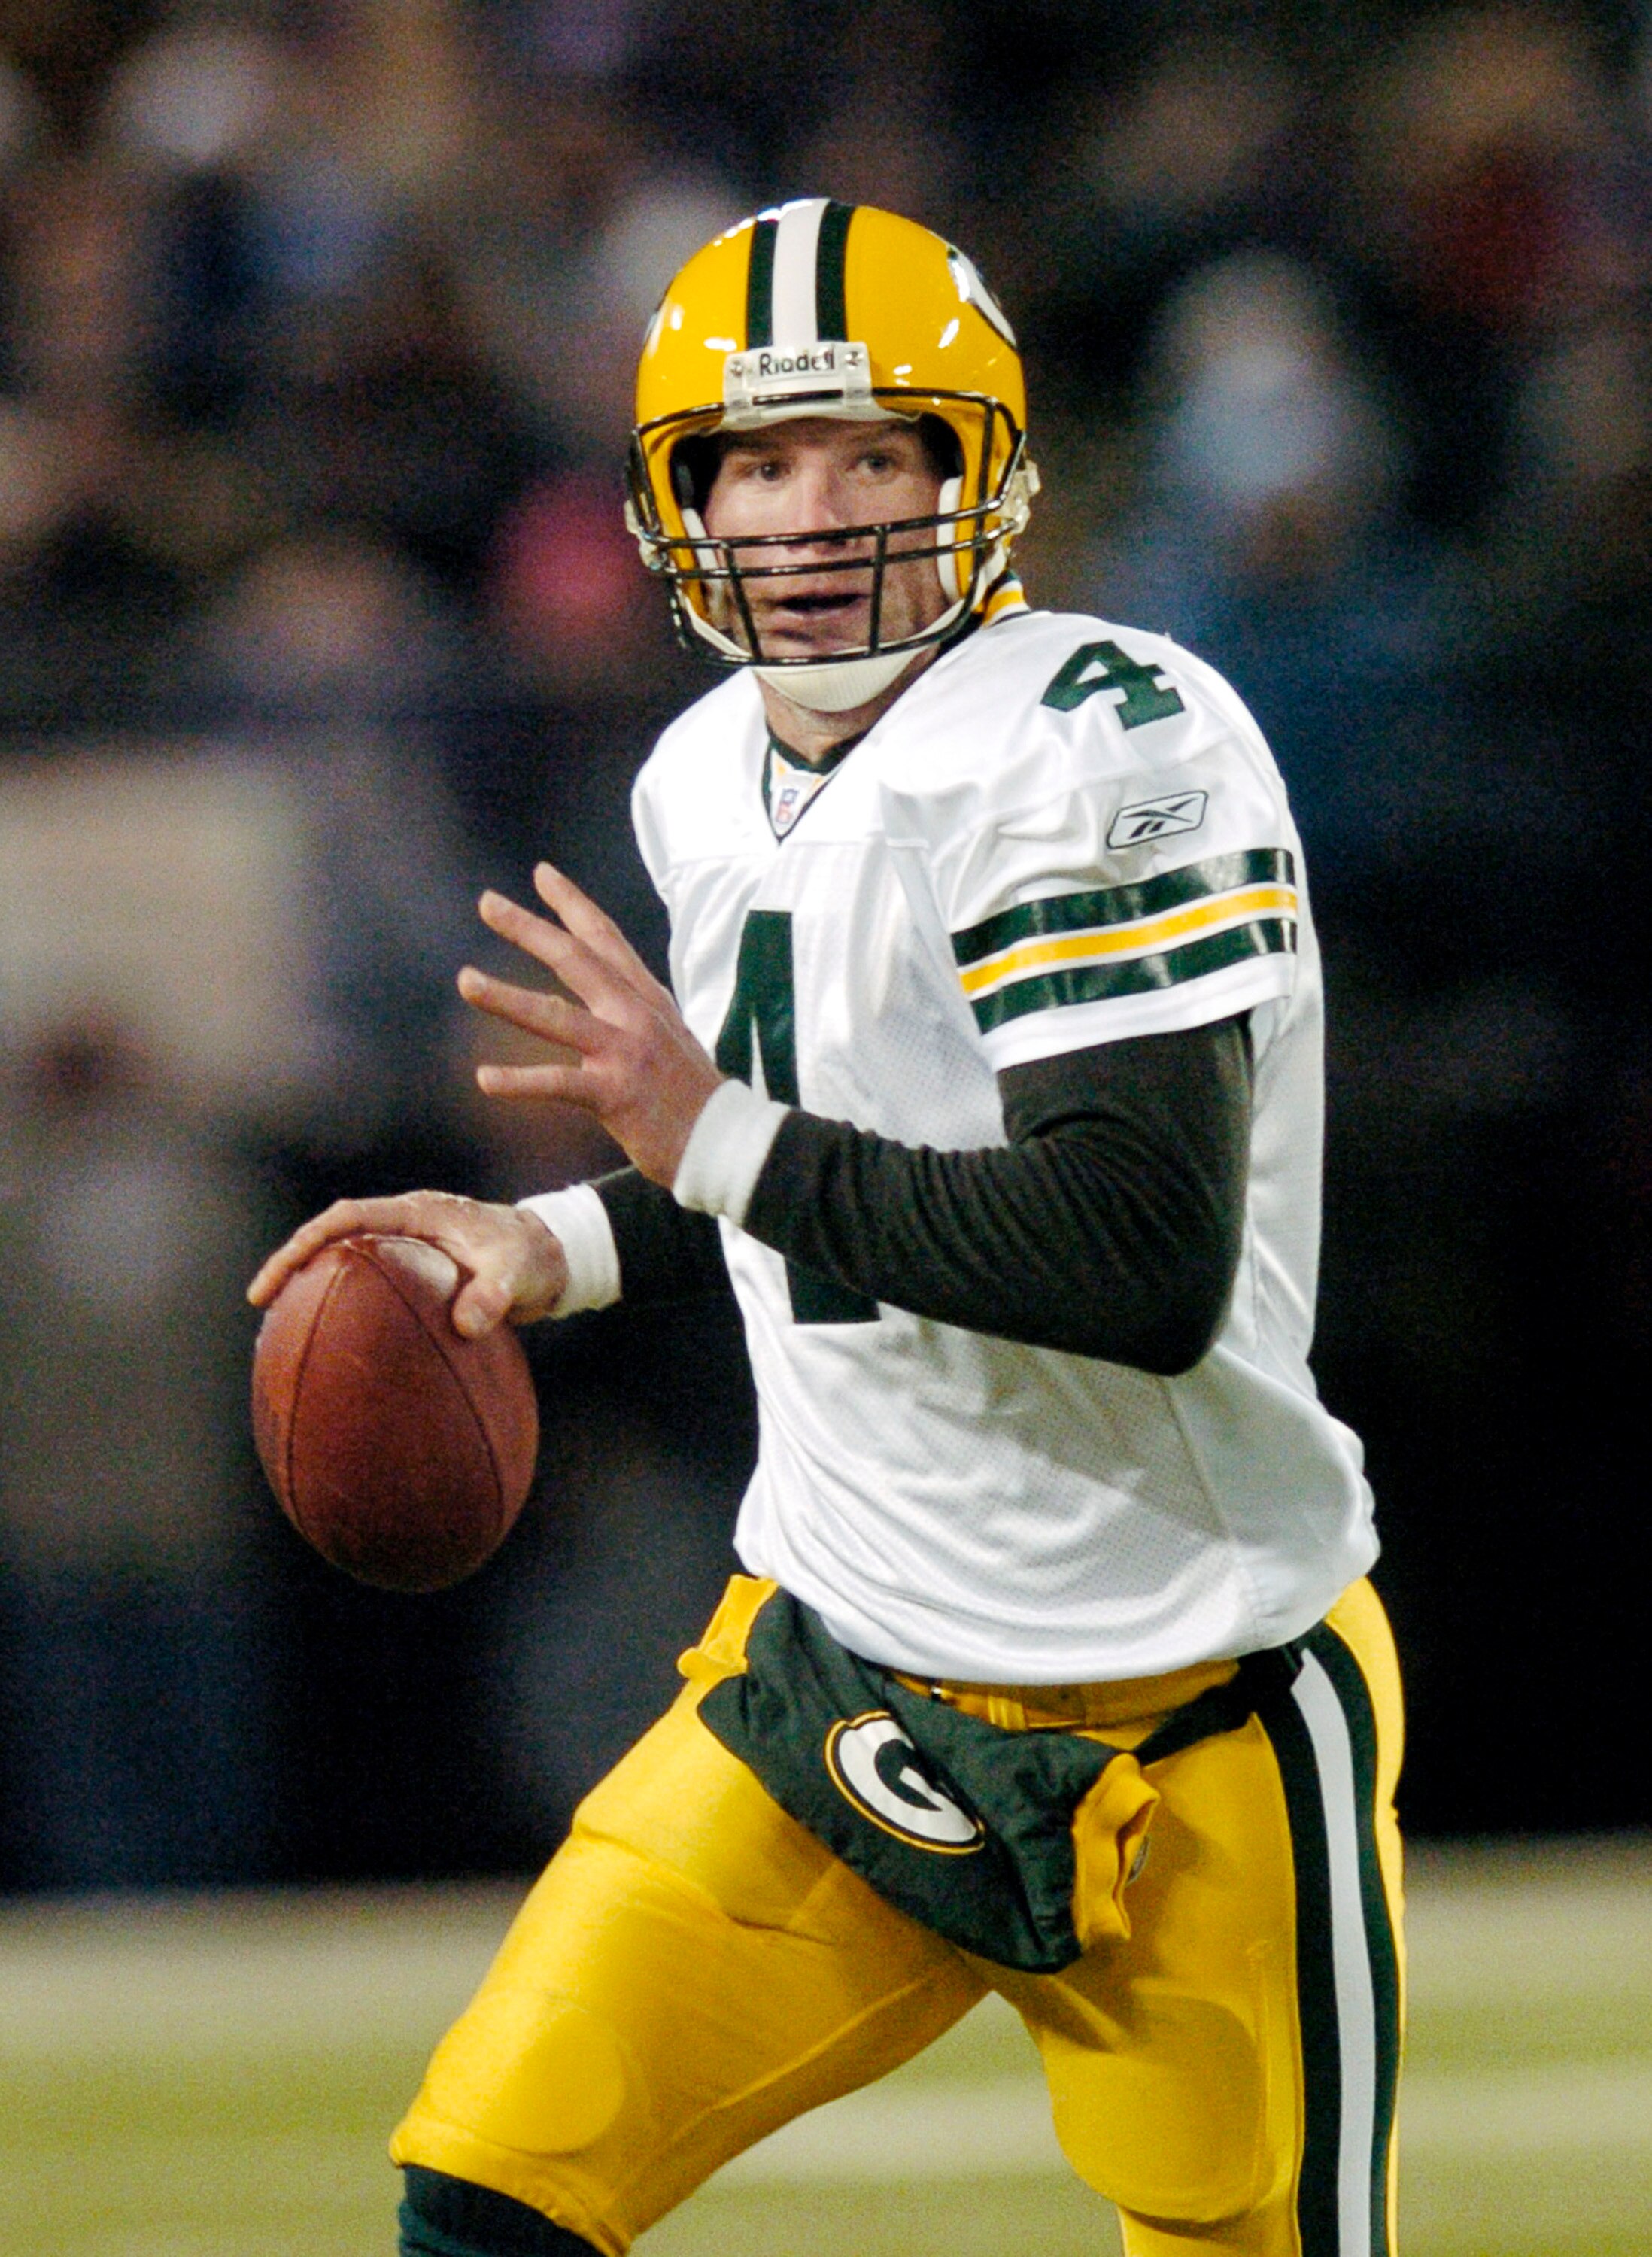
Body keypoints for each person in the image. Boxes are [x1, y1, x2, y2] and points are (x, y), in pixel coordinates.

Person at [251, 200, 1403, 2257]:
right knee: (482, 2198)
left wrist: (698, 1144)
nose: (811, 510)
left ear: (984, 475)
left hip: (1188, 1712)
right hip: (829, 1682)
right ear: (676, 499)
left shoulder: (1111, 741)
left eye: (877, 452)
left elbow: (1137, 1262)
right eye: (756, 461)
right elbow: (823, 1157)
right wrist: (563, 1245)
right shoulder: (705, 771)